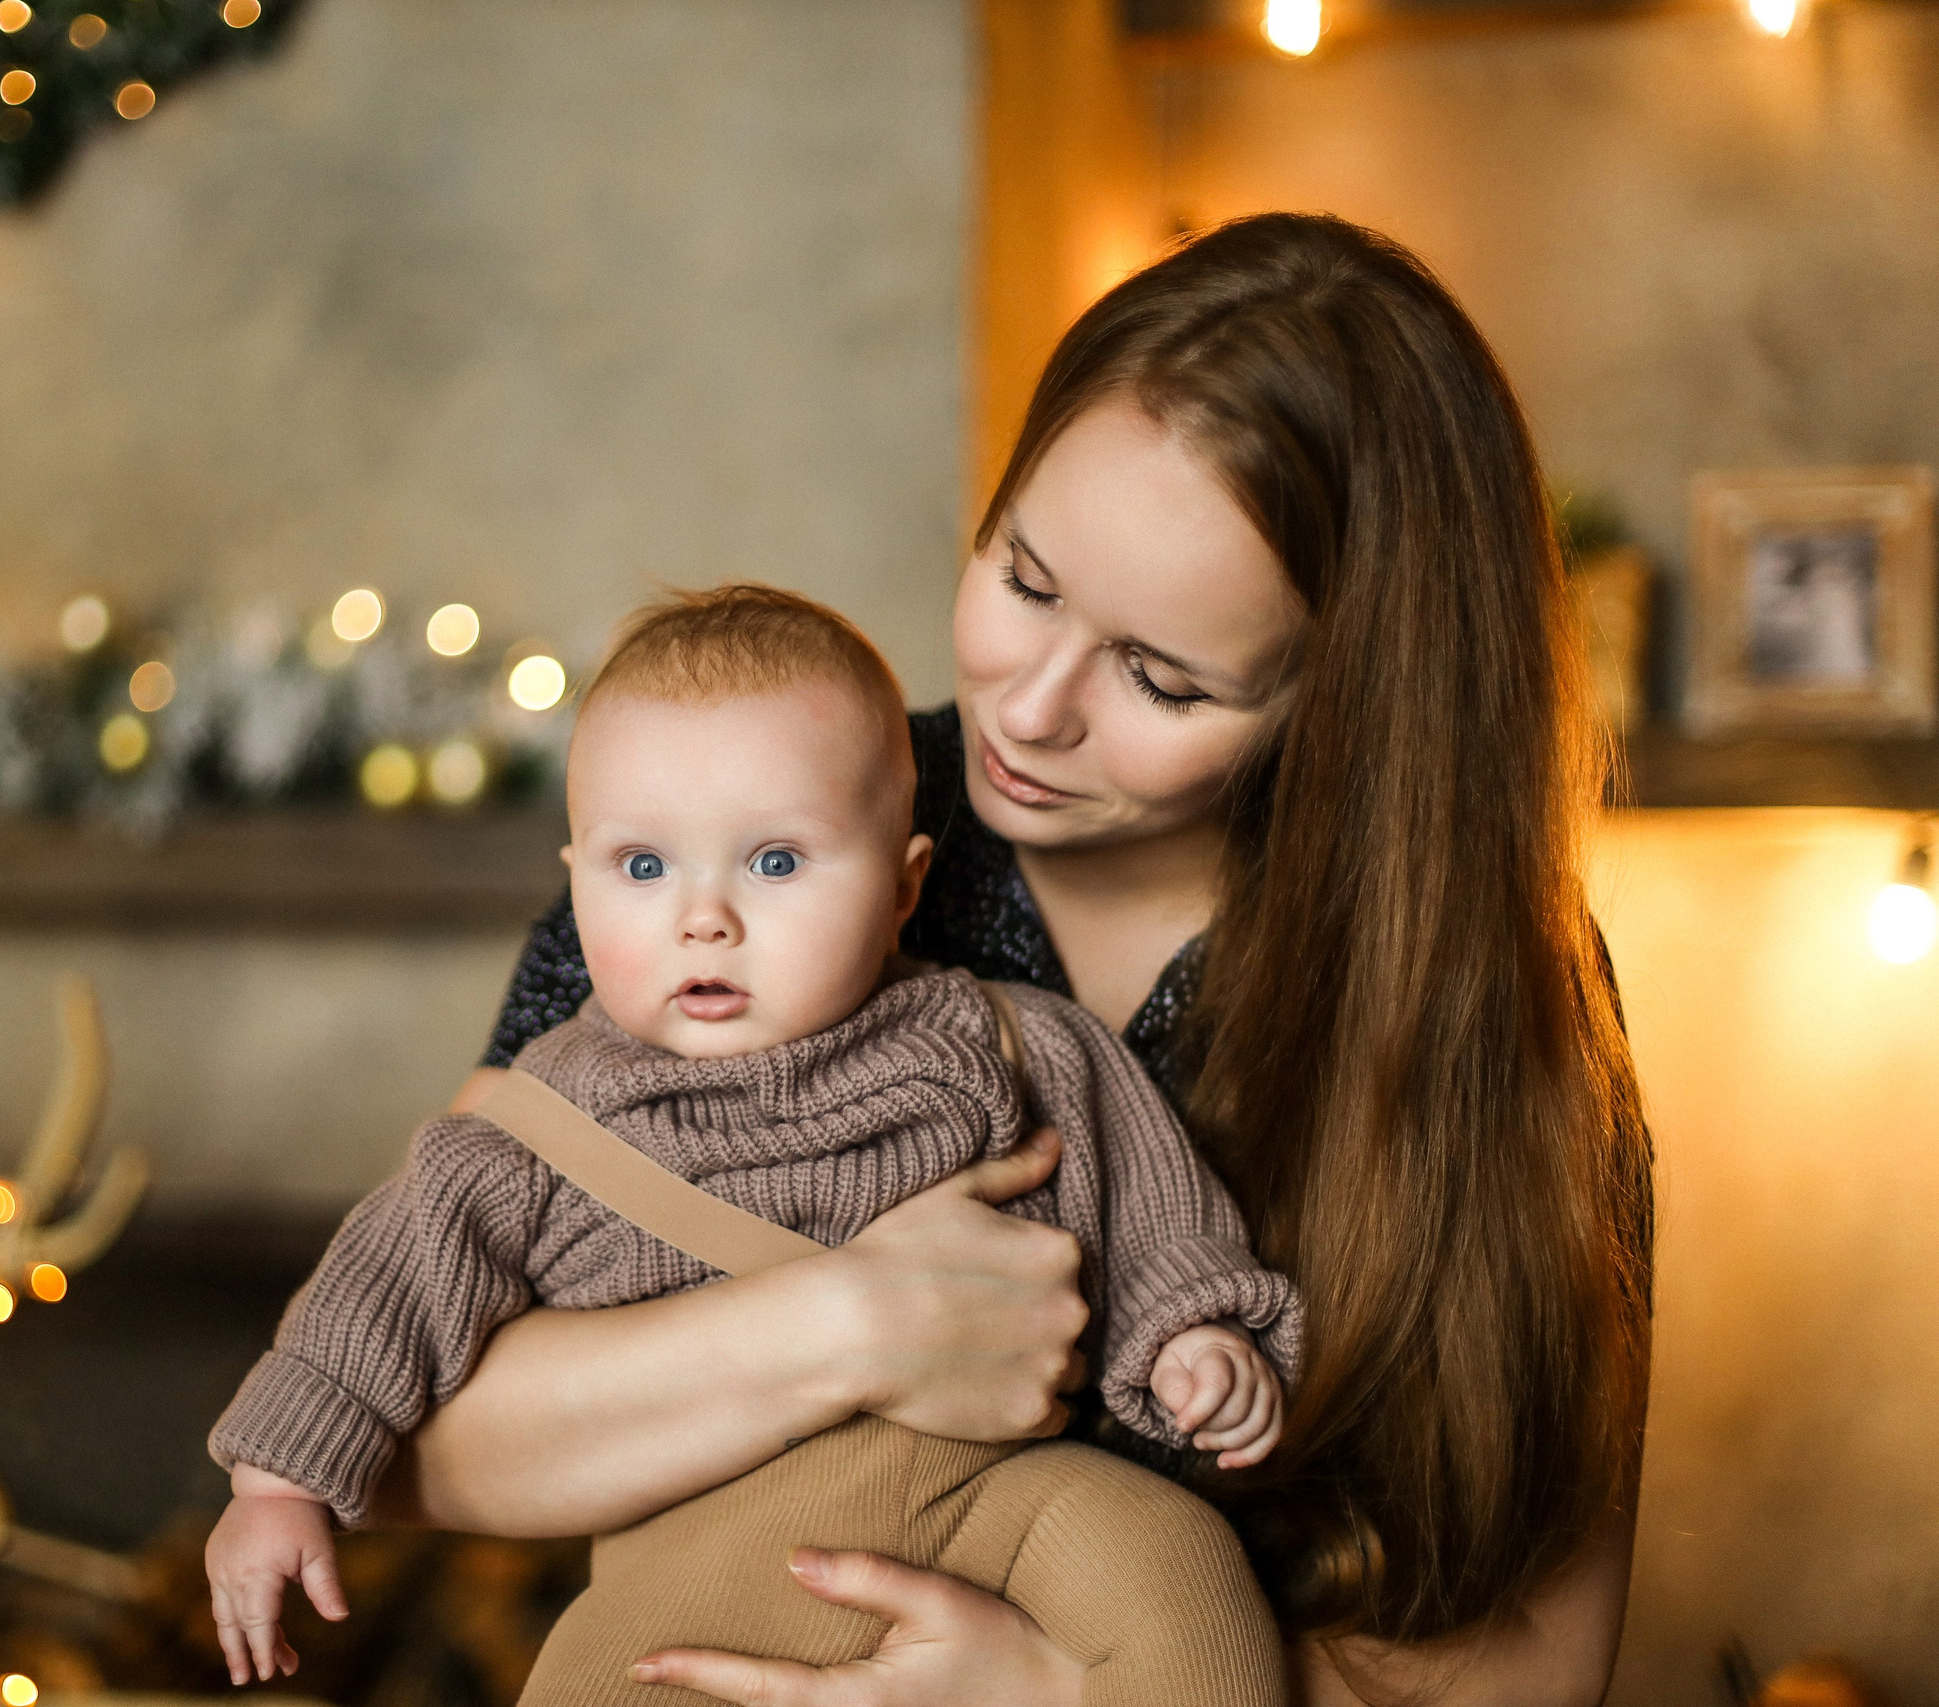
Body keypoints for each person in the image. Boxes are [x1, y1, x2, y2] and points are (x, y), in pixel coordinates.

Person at [381, 213, 1656, 1706]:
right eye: (1025, 578)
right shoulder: (760, 826)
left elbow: (1538, 1669)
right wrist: (855, 1323)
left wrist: (1071, 1691)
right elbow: (408, 1427)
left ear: (1346, 704)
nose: (1032, 708)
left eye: (1160, 676)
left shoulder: (1490, 995)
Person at [203, 586, 1302, 1699]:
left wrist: (1190, 1334)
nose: (703, 917)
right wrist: (275, 1486)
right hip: (698, 1557)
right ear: (574, 884)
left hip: (1000, 1500)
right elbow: (379, 1290)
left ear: (903, 886)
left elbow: (1149, 1195)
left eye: (774, 863)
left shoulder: (1003, 1041)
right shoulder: (532, 1131)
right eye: (642, 868)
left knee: (1188, 1583)